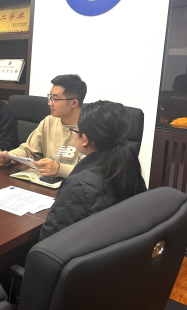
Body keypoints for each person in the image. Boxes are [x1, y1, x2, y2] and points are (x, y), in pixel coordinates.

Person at [39, 101, 147, 241]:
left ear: (84, 139)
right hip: (120, 246)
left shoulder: (77, 186)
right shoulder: (129, 166)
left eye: (75, 130)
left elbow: (49, 241)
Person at [0, 74, 86, 178]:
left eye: (55, 99)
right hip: (45, 182)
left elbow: (93, 171)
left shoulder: (90, 128)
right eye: (50, 97)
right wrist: (9, 157)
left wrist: (59, 169)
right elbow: (28, 151)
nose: (50, 103)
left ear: (74, 103)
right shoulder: (49, 121)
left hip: (75, 184)